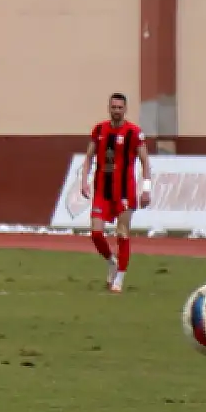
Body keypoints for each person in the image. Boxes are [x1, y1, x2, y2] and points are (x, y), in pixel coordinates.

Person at [77, 93, 153, 294]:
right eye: (114, 107)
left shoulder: (134, 132)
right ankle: (112, 261)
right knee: (95, 233)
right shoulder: (100, 130)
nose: (117, 110)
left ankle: (119, 277)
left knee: (122, 233)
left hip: (125, 193)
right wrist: (84, 181)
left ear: (125, 109)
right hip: (102, 190)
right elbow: (89, 157)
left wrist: (146, 189)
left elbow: (145, 161)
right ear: (109, 108)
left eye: (120, 107)